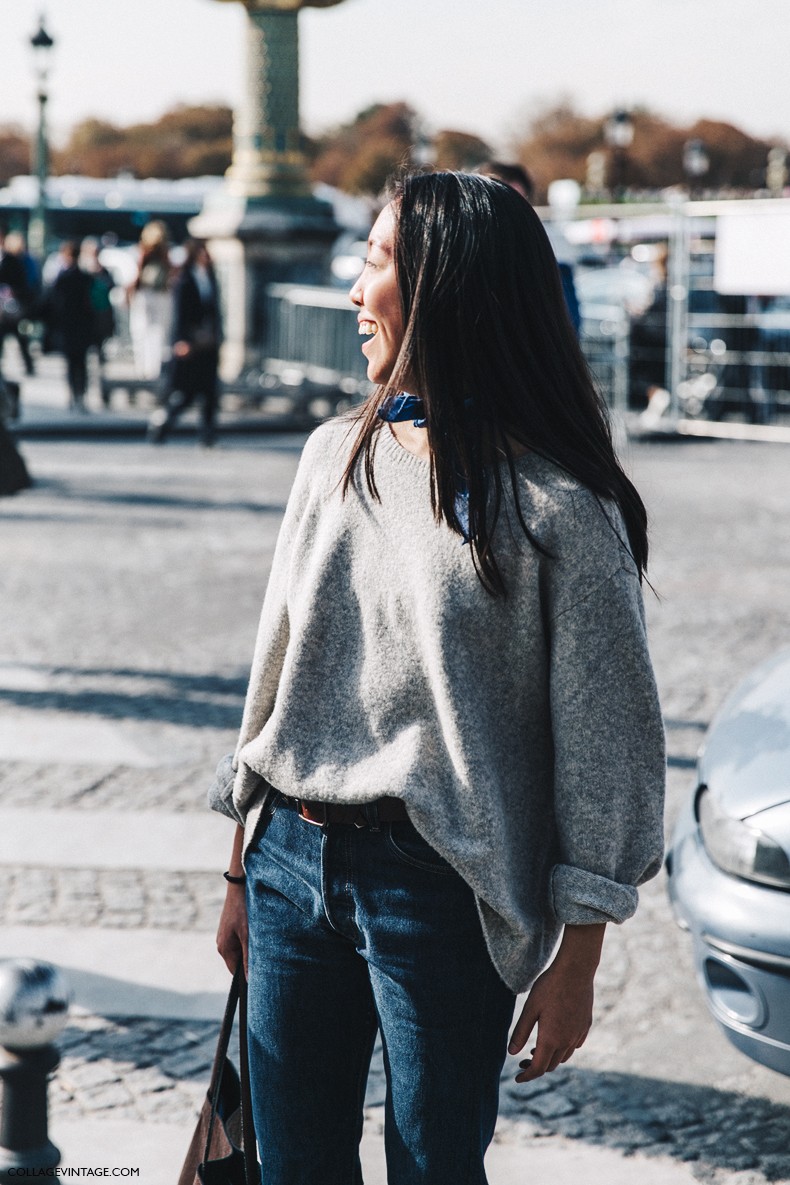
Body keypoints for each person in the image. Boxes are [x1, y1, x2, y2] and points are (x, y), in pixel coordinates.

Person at [214, 171, 665, 1185]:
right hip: (289, 864)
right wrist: (244, 866)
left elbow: (611, 749)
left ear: (445, 289)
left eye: (375, 263)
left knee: (432, 1170)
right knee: (293, 1169)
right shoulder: (336, 453)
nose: (351, 290)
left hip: (444, 887)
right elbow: (277, 675)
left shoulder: (558, 510)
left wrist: (578, 958)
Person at [479, 160, 582, 334]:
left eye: (517, 202)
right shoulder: (470, 252)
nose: (509, 213)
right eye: (499, 203)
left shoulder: (551, 249)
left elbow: (568, 323)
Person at [148, 239, 222, 447]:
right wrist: (181, 340)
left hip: (207, 343)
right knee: (187, 394)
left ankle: (208, 435)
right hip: (191, 343)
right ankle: (163, 426)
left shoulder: (210, 276)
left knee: (209, 392)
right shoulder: (185, 279)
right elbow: (180, 313)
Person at [45, 241, 94, 411]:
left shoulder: (62, 278)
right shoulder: (85, 278)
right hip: (81, 326)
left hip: (68, 326)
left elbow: (53, 303)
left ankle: (74, 395)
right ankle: (80, 395)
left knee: (72, 363)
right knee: (81, 362)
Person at [128, 219, 173, 382]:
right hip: (154, 295)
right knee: (150, 332)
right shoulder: (158, 253)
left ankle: (149, 369)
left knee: (149, 332)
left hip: (151, 294)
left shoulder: (149, 253)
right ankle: (150, 369)